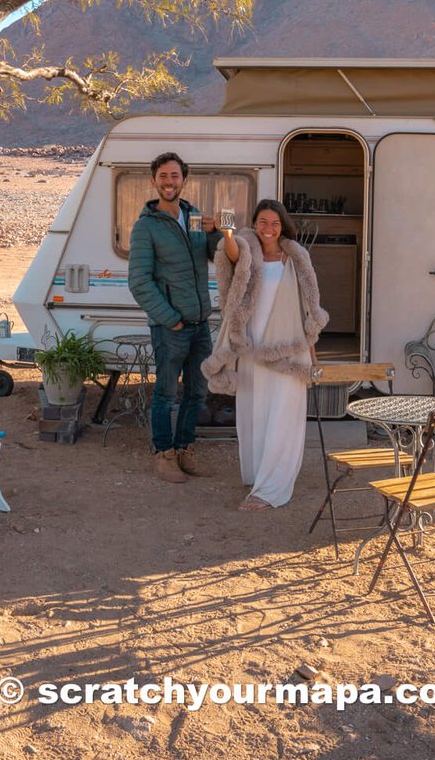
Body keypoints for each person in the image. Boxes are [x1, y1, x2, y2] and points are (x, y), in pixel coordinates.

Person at [203, 199, 327, 510]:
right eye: (262, 222)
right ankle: (258, 476)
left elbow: (307, 309)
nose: (268, 229)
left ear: (282, 225)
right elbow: (232, 255)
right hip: (252, 347)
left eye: (274, 223)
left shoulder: (296, 258)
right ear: (255, 224)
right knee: (254, 411)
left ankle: (271, 488)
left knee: (284, 415)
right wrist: (228, 233)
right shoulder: (248, 250)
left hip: (289, 350)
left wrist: (313, 357)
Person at [128, 152, 220, 484]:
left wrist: (215, 233)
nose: (169, 182)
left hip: (200, 323)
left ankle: (184, 449)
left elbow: (215, 256)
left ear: (184, 179)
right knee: (166, 394)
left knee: (197, 392)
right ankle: (163, 454)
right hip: (172, 327)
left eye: (175, 176)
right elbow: (139, 281)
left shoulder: (193, 216)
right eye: (163, 176)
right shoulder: (145, 227)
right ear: (154, 181)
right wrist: (171, 318)